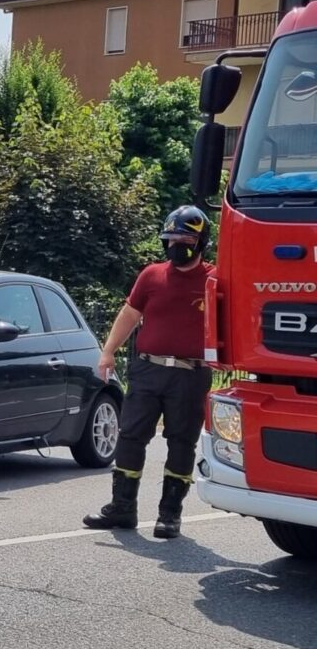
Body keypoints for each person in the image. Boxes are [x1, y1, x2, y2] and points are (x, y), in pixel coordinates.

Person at [84, 205, 216, 539]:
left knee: (181, 442)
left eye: (185, 238)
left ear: (201, 242)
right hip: (147, 369)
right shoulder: (151, 275)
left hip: (191, 374)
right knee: (130, 437)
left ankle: (170, 515)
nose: (176, 244)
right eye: (170, 238)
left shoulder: (215, 279)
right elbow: (130, 314)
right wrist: (108, 351)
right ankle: (122, 508)